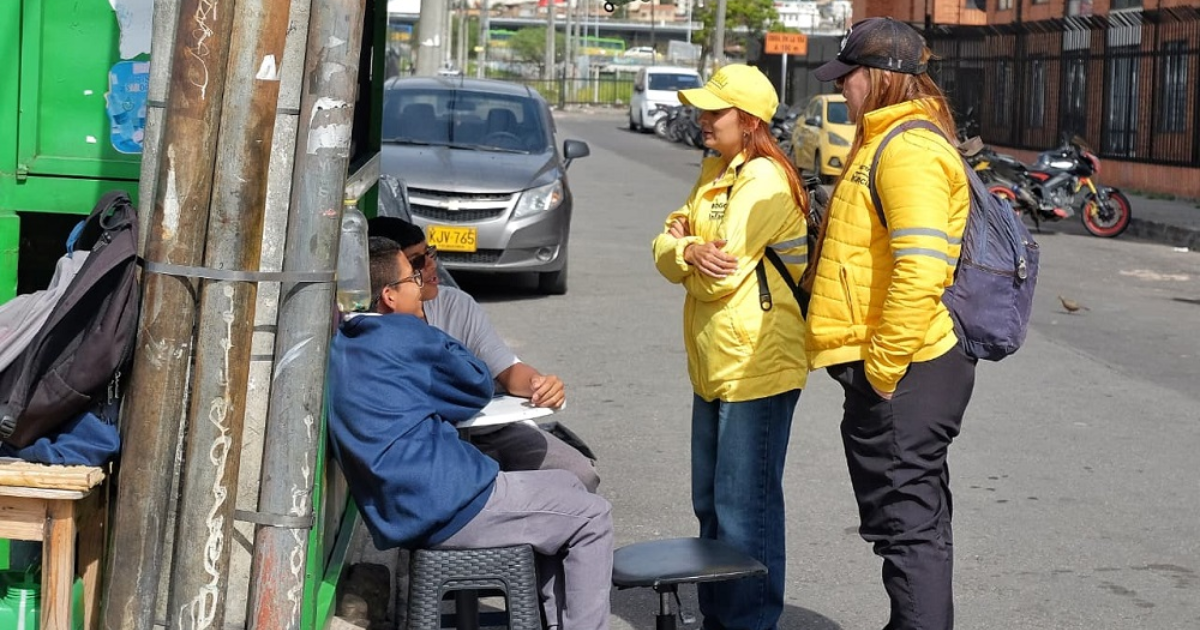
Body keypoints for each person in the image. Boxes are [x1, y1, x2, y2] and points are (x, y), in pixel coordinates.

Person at [326, 237, 613, 630]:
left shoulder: (348, 339)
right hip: (448, 502)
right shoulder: (407, 333)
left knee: (567, 486)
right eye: (412, 279)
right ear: (390, 296)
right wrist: (426, 329)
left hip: (403, 508)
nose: (421, 286)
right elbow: (476, 383)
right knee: (594, 515)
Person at [808, 17, 977, 630]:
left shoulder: (909, 150)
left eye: (847, 76)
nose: (841, 88)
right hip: (901, 367)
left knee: (908, 531)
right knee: (911, 524)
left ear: (880, 77)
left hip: (906, 369)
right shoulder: (886, 139)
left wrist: (881, 369)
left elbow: (921, 268)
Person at [650, 64, 809, 630]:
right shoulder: (716, 170)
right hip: (715, 361)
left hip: (756, 366)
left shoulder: (764, 180)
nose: (703, 118)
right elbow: (667, 240)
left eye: (715, 111)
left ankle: (749, 621)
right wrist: (688, 250)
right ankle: (718, 616)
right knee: (711, 505)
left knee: (745, 510)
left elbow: (721, 277)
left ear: (749, 121)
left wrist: (686, 253)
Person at [367, 216, 600, 492]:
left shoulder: (455, 304)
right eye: (415, 264)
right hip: (432, 448)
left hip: (486, 433)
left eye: (430, 253)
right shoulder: (369, 336)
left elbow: (505, 367)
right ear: (389, 289)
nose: (431, 266)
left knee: (579, 475)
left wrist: (540, 385)